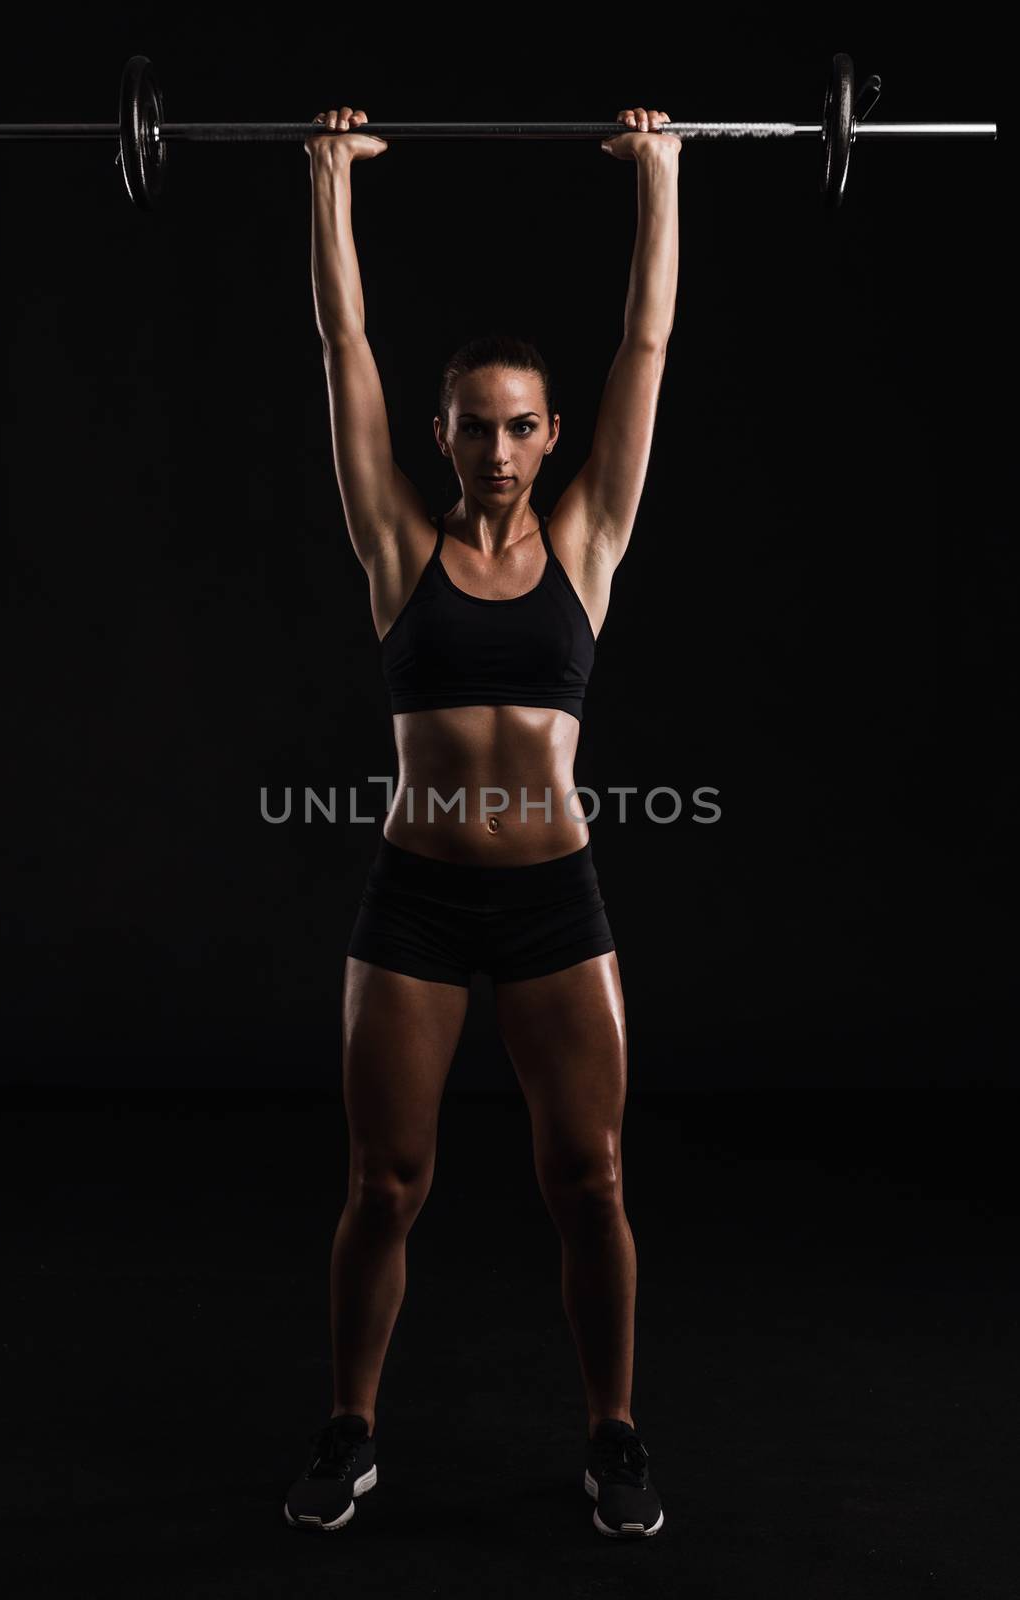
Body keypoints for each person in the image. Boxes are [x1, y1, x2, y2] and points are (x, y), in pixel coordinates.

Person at [284, 100, 680, 1540]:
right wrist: (326, 179)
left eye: (523, 428)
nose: (500, 451)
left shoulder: (589, 540)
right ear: (441, 436)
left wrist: (661, 174)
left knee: (592, 1178)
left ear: (551, 433)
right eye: (475, 428)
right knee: (384, 1183)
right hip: (419, 901)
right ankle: (350, 1430)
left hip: (554, 897)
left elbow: (647, 347)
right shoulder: (398, 548)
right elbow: (345, 351)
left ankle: (616, 1437)